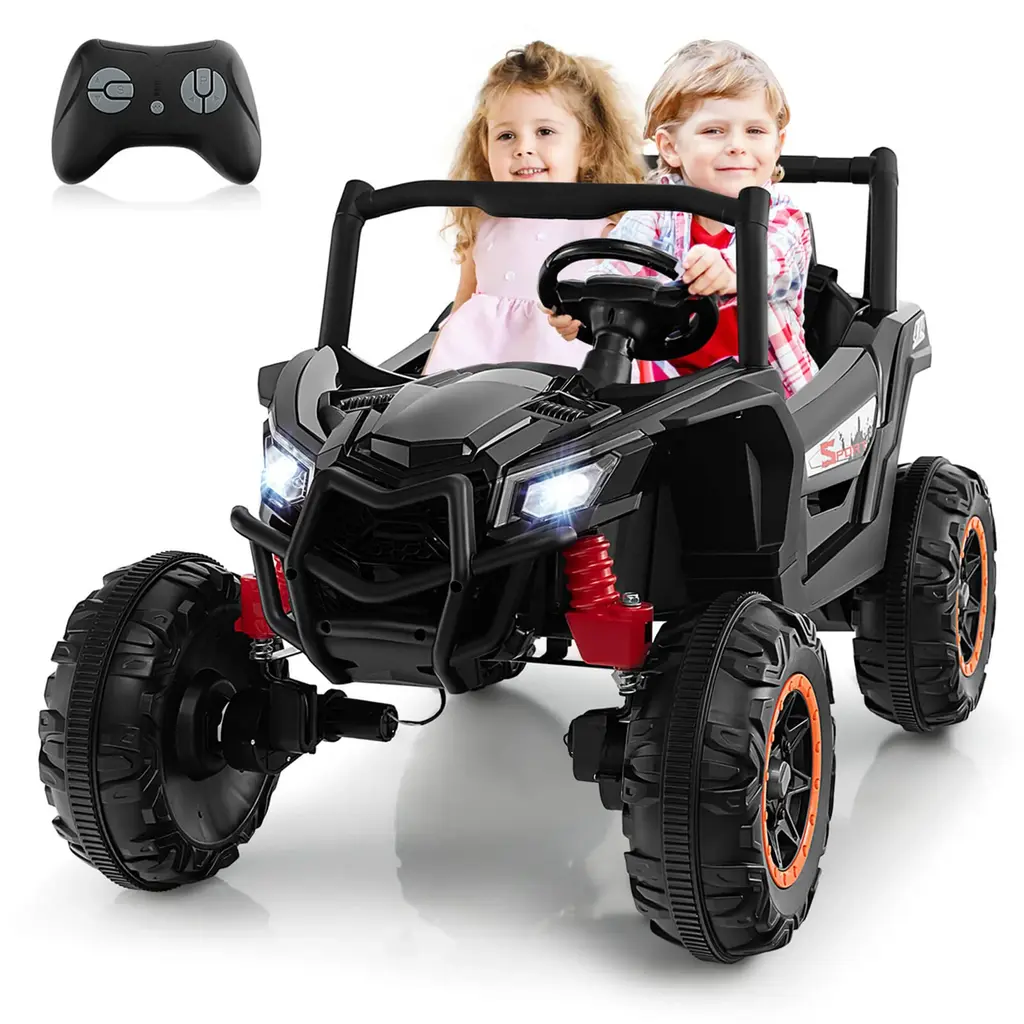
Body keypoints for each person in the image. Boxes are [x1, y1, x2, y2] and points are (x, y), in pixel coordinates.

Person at [548, 39, 818, 396]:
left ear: (777, 144)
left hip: (770, 392)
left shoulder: (783, 217)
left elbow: (776, 261)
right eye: (714, 131)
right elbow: (617, 267)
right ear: (671, 147)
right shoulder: (656, 211)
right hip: (668, 390)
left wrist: (731, 269)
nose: (737, 146)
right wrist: (582, 306)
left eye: (755, 131)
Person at [422, 41, 645, 376]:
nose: (523, 148)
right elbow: (463, 302)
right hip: (470, 367)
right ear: (485, 147)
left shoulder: (604, 229)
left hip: (561, 372)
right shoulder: (482, 223)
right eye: (506, 136)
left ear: (587, 147)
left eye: (545, 131)